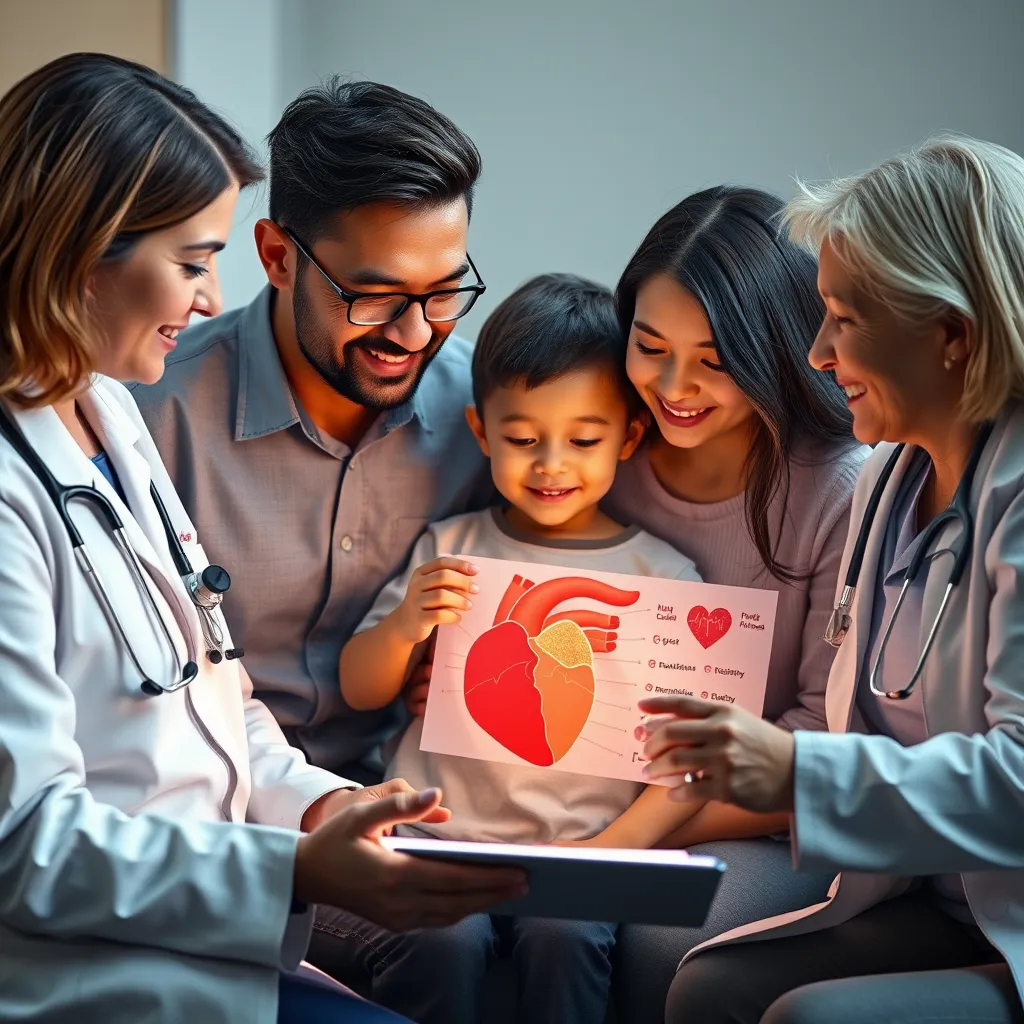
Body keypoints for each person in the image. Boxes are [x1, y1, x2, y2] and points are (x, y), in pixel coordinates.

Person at [0, 53, 525, 1024]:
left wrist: (329, 810)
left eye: (443, 291)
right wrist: (292, 866)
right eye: (194, 263)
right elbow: (25, 840)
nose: (209, 297)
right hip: (94, 970)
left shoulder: (108, 418)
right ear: (78, 253)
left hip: (214, 912)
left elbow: (217, 701)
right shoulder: (82, 447)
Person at [640, 136, 1024, 1024]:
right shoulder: (891, 480)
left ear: (953, 335)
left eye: (844, 320)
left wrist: (796, 771)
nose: (816, 352)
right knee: (708, 987)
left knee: (802, 1019)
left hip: (1006, 912)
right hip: (931, 894)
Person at [323, 274, 703, 1024]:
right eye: (523, 439)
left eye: (584, 440)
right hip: (439, 839)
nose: (551, 464)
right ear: (480, 432)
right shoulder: (454, 548)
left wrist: (614, 851)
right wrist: (405, 629)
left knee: (566, 939)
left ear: (629, 436)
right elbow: (357, 687)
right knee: (441, 945)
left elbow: (689, 758)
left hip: (579, 854)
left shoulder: (664, 578)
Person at [130, 77, 494, 786]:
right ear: (276, 258)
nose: (416, 332)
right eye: (374, 296)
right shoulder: (149, 418)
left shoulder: (488, 419)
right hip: (204, 803)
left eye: (445, 292)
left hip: (411, 796)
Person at [600, 186, 869, 1022]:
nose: (674, 386)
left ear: (777, 348)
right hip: (583, 783)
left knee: (652, 932)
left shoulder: (839, 485)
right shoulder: (599, 444)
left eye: (715, 360)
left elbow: (815, 734)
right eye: (650, 347)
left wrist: (617, 846)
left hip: (751, 816)